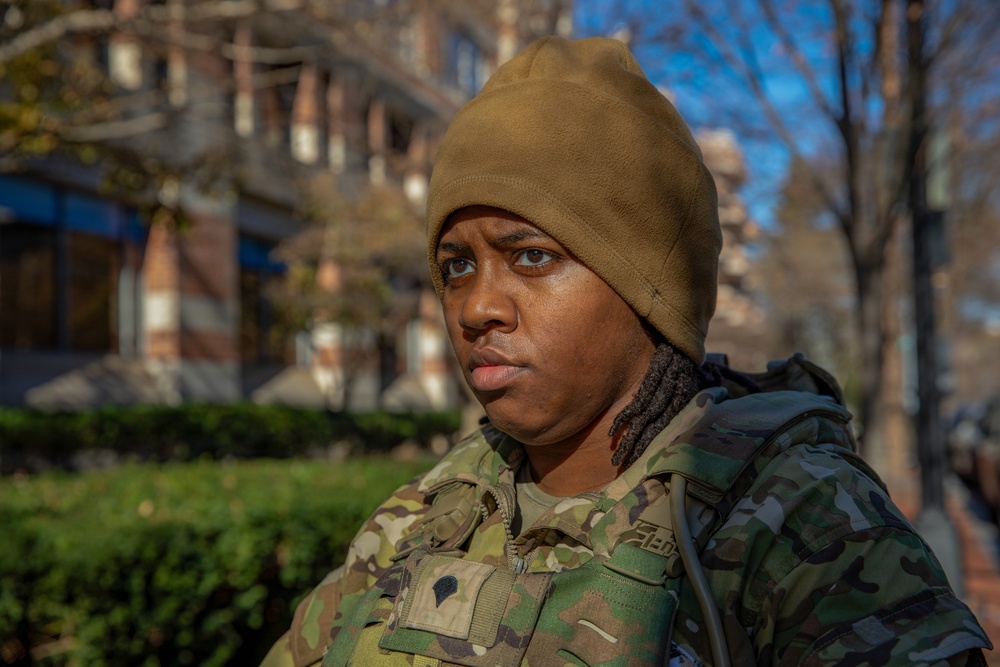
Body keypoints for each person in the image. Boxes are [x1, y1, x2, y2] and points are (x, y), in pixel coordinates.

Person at [261, 36, 992, 666]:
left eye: (532, 257)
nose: (477, 306)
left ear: (649, 287)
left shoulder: (799, 522)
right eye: (456, 265)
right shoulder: (422, 516)